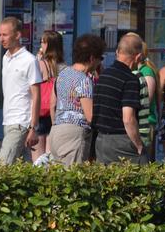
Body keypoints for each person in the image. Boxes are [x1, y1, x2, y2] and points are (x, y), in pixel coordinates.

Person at [49, 34, 104, 166]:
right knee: (72, 178)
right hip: (74, 133)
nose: (99, 63)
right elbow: (90, 116)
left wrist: (56, 123)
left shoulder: (62, 74)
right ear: (91, 58)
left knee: (57, 178)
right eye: (100, 58)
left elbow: (52, 104)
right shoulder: (84, 80)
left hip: (56, 131)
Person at [92, 34, 146, 164]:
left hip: (101, 140)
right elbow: (128, 119)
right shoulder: (130, 79)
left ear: (117, 52)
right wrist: (139, 145)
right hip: (121, 141)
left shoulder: (103, 76)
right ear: (137, 56)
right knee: (143, 174)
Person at [0, 17, 41, 164]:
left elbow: (36, 95)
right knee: (21, 171)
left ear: (17, 35)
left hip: (21, 122)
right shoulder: (5, 57)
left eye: (5, 35)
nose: (1, 39)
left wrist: (33, 127)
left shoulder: (29, 60)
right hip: (8, 121)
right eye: (0, 35)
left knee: (1, 167)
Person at [31, 30, 66, 164]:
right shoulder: (64, 66)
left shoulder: (39, 64)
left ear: (49, 45)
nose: (41, 44)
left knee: (38, 157)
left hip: (40, 111)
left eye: (43, 42)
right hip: (56, 112)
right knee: (50, 157)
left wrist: (37, 58)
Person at [125, 33, 159, 161]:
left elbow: (146, 101)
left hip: (145, 123)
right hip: (134, 122)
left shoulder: (146, 72)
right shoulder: (131, 71)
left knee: (143, 159)